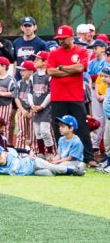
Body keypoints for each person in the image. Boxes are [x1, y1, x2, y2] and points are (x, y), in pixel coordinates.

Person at [47, 25, 94, 164]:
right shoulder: (54, 53)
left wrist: (61, 68)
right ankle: (61, 156)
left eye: (63, 38)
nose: (61, 41)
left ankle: (88, 157)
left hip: (76, 96)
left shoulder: (82, 51)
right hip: (58, 96)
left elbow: (80, 68)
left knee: (82, 128)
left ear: (71, 37)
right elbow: (50, 72)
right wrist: (70, 70)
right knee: (58, 129)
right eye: (59, 39)